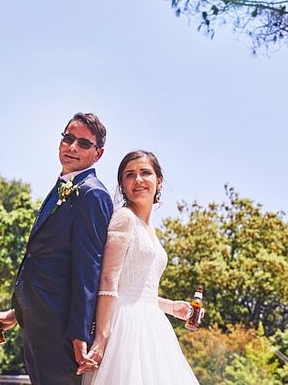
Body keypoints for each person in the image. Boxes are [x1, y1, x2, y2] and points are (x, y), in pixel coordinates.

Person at [0, 112, 113, 385]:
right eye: (68, 138)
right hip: (38, 324)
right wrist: (17, 314)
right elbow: (47, 264)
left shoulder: (92, 194)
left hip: (62, 335)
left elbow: (88, 270)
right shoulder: (61, 187)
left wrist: (80, 334)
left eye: (83, 143)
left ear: (98, 154)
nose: (72, 147)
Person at [80, 150, 200, 384]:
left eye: (145, 172)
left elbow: (138, 290)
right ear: (122, 185)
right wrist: (102, 338)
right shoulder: (124, 218)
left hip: (153, 326)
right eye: (129, 175)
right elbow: (108, 281)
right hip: (124, 327)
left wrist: (173, 307)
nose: (138, 180)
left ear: (159, 181)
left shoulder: (151, 230)